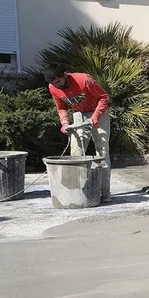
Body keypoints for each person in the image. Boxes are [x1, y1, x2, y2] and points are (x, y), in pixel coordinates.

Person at [45, 66, 111, 199]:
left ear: (65, 75)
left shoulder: (84, 80)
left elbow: (104, 97)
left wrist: (95, 116)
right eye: (53, 84)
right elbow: (61, 107)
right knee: (76, 154)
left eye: (58, 82)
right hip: (78, 115)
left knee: (102, 152)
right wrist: (64, 123)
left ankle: (104, 192)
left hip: (98, 113)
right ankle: (79, 193)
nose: (57, 86)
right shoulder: (53, 88)